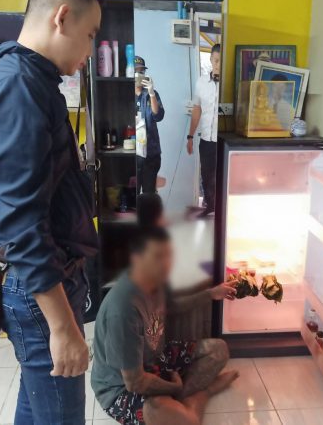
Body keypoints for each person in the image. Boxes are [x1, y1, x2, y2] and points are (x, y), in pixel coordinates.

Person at [0, 0, 103, 423]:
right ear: (62, 17)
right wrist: (62, 327)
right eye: (90, 34)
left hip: (45, 281)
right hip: (42, 289)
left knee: (37, 406)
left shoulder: (26, 76)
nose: (89, 51)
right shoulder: (18, 86)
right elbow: (21, 221)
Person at [91, 227, 239, 425]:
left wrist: (211, 294)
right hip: (120, 388)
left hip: (156, 360)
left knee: (218, 350)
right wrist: (174, 387)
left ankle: (180, 404)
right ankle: (202, 394)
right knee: (174, 417)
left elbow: (172, 306)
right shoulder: (123, 309)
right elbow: (134, 382)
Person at [187, 44, 221, 217]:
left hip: (223, 140)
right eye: (216, 60)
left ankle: (222, 209)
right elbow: (197, 109)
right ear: (211, 59)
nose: (218, 64)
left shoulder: (228, 84)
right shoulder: (201, 82)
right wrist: (190, 136)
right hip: (206, 139)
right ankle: (210, 206)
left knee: (222, 176)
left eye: (221, 61)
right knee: (207, 175)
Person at [135, 56, 165, 194]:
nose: (138, 75)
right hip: (132, 154)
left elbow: (158, 116)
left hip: (151, 153)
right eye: (135, 71)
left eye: (141, 72)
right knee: (132, 195)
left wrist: (152, 93)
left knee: (149, 194)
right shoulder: (123, 92)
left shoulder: (151, 94)